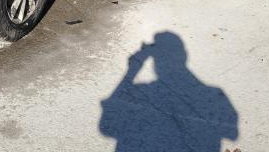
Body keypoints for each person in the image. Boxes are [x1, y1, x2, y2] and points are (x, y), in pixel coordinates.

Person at [100, 32, 238, 152]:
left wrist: (132, 70)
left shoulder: (143, 92)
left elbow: (107, 126)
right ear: (184, 56)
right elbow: (232, 133)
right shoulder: (214, 96)